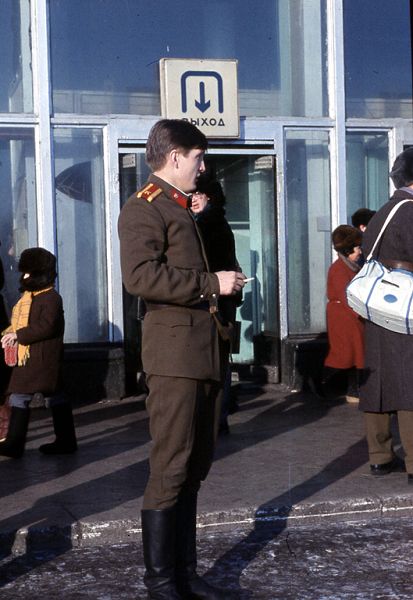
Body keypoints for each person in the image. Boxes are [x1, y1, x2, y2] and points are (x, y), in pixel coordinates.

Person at [118, 119, 245, 600]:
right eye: (198, 157)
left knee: (194, 467)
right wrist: (213, 284)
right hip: (174, 357)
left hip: (205, 350)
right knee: (171, 467)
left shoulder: (183, 207)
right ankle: (161, 583)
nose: (203, 167)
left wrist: (224, 277)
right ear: (175, 157)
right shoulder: (145, 206)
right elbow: (140, 277)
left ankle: (185, 574)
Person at [359, 147, 413, 483]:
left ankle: (379, 456)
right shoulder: (411, 212)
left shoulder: (382, 212)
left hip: (378, 305)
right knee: (409, 379)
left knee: (378, 377)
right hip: (407, 305)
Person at [0, 247, 77, 458]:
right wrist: (10, 334)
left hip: (41, 359)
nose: (24, 277)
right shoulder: (29, 298)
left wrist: (18, 335)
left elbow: (47, 326)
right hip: (32, 359)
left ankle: (16, 443)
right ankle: (64, 440)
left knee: (24, 396)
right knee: (49, 396)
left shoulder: (51, 298)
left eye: (28, 272)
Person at [192, 174, 242, 435]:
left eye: (198, 195)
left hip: (214, 302)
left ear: (209, 198)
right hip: (222, 300)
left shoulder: (206, 224)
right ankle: (220, 414)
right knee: (221, 359)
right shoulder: (217, 222)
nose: (193, 199)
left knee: (215, 361)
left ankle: (216, 416)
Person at [322, 225, 365, 402]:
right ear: (348, 250)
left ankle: (353, 391)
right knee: (344, 354)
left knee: (356, 355)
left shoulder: (352, 266)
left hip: (350, 317)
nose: (360, 251)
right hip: (343, 318)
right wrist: (361, 314)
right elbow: (345, 296)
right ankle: (320, 380)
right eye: (357, 248)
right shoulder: (339, 269)